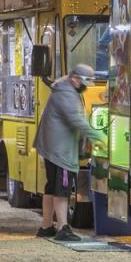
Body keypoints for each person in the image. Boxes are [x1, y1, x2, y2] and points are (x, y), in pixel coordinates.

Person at [34, 64, 96, 242]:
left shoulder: (61, 89)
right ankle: (62, 227)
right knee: (62, 189)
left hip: (52, 148)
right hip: (61, 151)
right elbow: (76, 120)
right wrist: (97, 135)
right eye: (87, 81)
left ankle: (46, 226)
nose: (88, 85)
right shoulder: (67, 94)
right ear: (76, 78)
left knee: (51, 186)